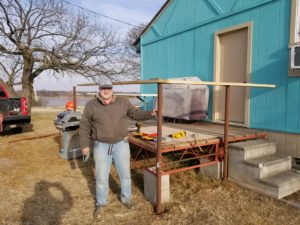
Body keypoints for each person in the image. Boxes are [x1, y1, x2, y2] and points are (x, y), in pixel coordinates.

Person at [79, 80, 156, 218]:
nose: (106, 91)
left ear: (112, 89)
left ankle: (126, 199)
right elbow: (84, 125)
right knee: (101, 177)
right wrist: (84, 145)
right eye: (103, 88)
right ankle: (101, 203)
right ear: (99, 90)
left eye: (108, 88)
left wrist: (151, 113)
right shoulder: (91, 105)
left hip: (121, 144)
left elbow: (135, 114)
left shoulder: (123, 102)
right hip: (100, 146)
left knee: (125, 175)